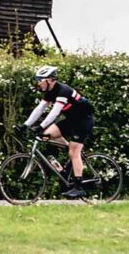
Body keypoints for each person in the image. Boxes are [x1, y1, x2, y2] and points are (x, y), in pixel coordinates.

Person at [20, 65, 95, 199]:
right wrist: (25, 125)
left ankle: (79, 187)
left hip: (84, 120)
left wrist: (41, 125)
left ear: (50, 80)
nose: (38, 83)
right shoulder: (50, 91)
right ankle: (69, 163)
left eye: (40, 80)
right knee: (45, 135)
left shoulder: (63, 90)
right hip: (72, 119)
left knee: (74, 151)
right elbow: (40, 108)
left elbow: (54, 112)